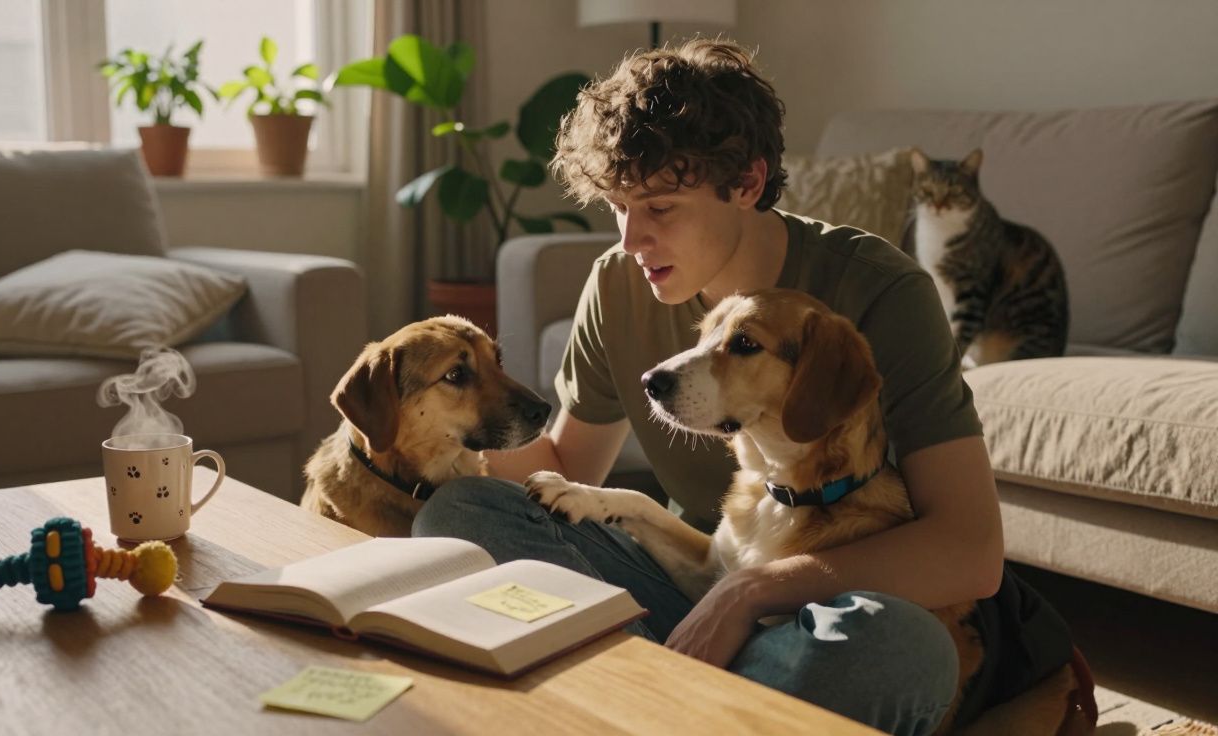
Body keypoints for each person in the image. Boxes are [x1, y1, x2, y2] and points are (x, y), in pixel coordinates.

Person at [413, 39, 1074, 736]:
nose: (632, 238)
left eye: (661, 207)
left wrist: (751, 593)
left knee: (898, 652)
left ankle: (632, 700)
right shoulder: (617, 282)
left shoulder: (880, 293)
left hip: (813, 613)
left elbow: (970, 553)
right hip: (686, 584)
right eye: (617, 206)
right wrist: (455, 418)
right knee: (465, 516)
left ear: (750, 183)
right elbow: (565, 476)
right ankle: (694, 705)